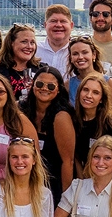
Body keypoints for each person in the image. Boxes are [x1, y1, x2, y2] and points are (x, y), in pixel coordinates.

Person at [21, 65, 77, 199]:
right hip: (26, 178)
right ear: (33, 85)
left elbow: (68, 162)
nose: (44, 88)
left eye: (51, 86)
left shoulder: (61, 116)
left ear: (58, 90)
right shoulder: (22, 109)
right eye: (40, 84)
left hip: (53, 182)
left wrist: (66, 199)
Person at [73, 75, 112, 175]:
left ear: (101, 99)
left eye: (95, 92)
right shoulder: (72, 120)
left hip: (106, 176)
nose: (89, 95)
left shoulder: (111, 123)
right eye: (85, 90)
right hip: (79, 177)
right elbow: (75, 157)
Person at [0, 23, 40, 101]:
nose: (29, 46)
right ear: (11, 43)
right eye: (24, 42)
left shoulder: (41, 70)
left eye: (32, 42)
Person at [35, 5, 76, 70]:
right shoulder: (34, 50)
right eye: (53, 21)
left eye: (63, 21)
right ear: (45, 25)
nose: (58, 25)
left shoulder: (78, 53)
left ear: (71, 26)